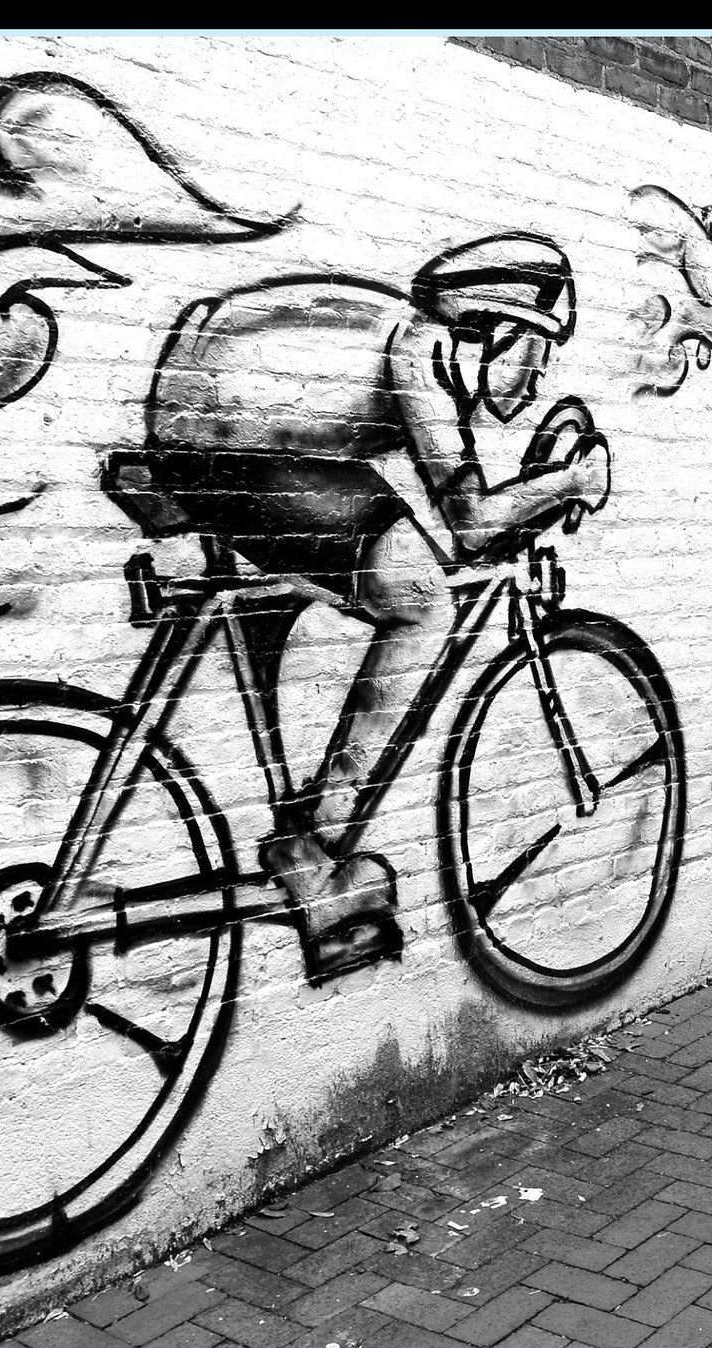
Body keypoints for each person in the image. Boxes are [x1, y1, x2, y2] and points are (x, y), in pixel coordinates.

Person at [103, 233, 610, 980]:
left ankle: (305, 872)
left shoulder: (377, 330)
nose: (533, 382)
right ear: (493, 326)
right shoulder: (423, 345)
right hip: (253, 456)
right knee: (422, 602)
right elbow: (468, 521)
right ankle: (319, 844)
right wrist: (567, 482)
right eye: (532, 354)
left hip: (185, 445)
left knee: (298, 592)